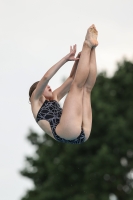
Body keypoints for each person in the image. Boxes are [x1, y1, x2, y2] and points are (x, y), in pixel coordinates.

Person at [29, 24, 98, 144]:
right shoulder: (36, 101)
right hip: (67, 132)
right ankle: (87, 44)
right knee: (77, 87)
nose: (49, 86)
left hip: (82, 133)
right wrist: (65, 59)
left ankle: (92, 49)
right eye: (44, 87)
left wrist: (78, 60)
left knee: (86, 89)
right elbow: (46, 78)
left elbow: (71, 78)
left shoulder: (54, 97)